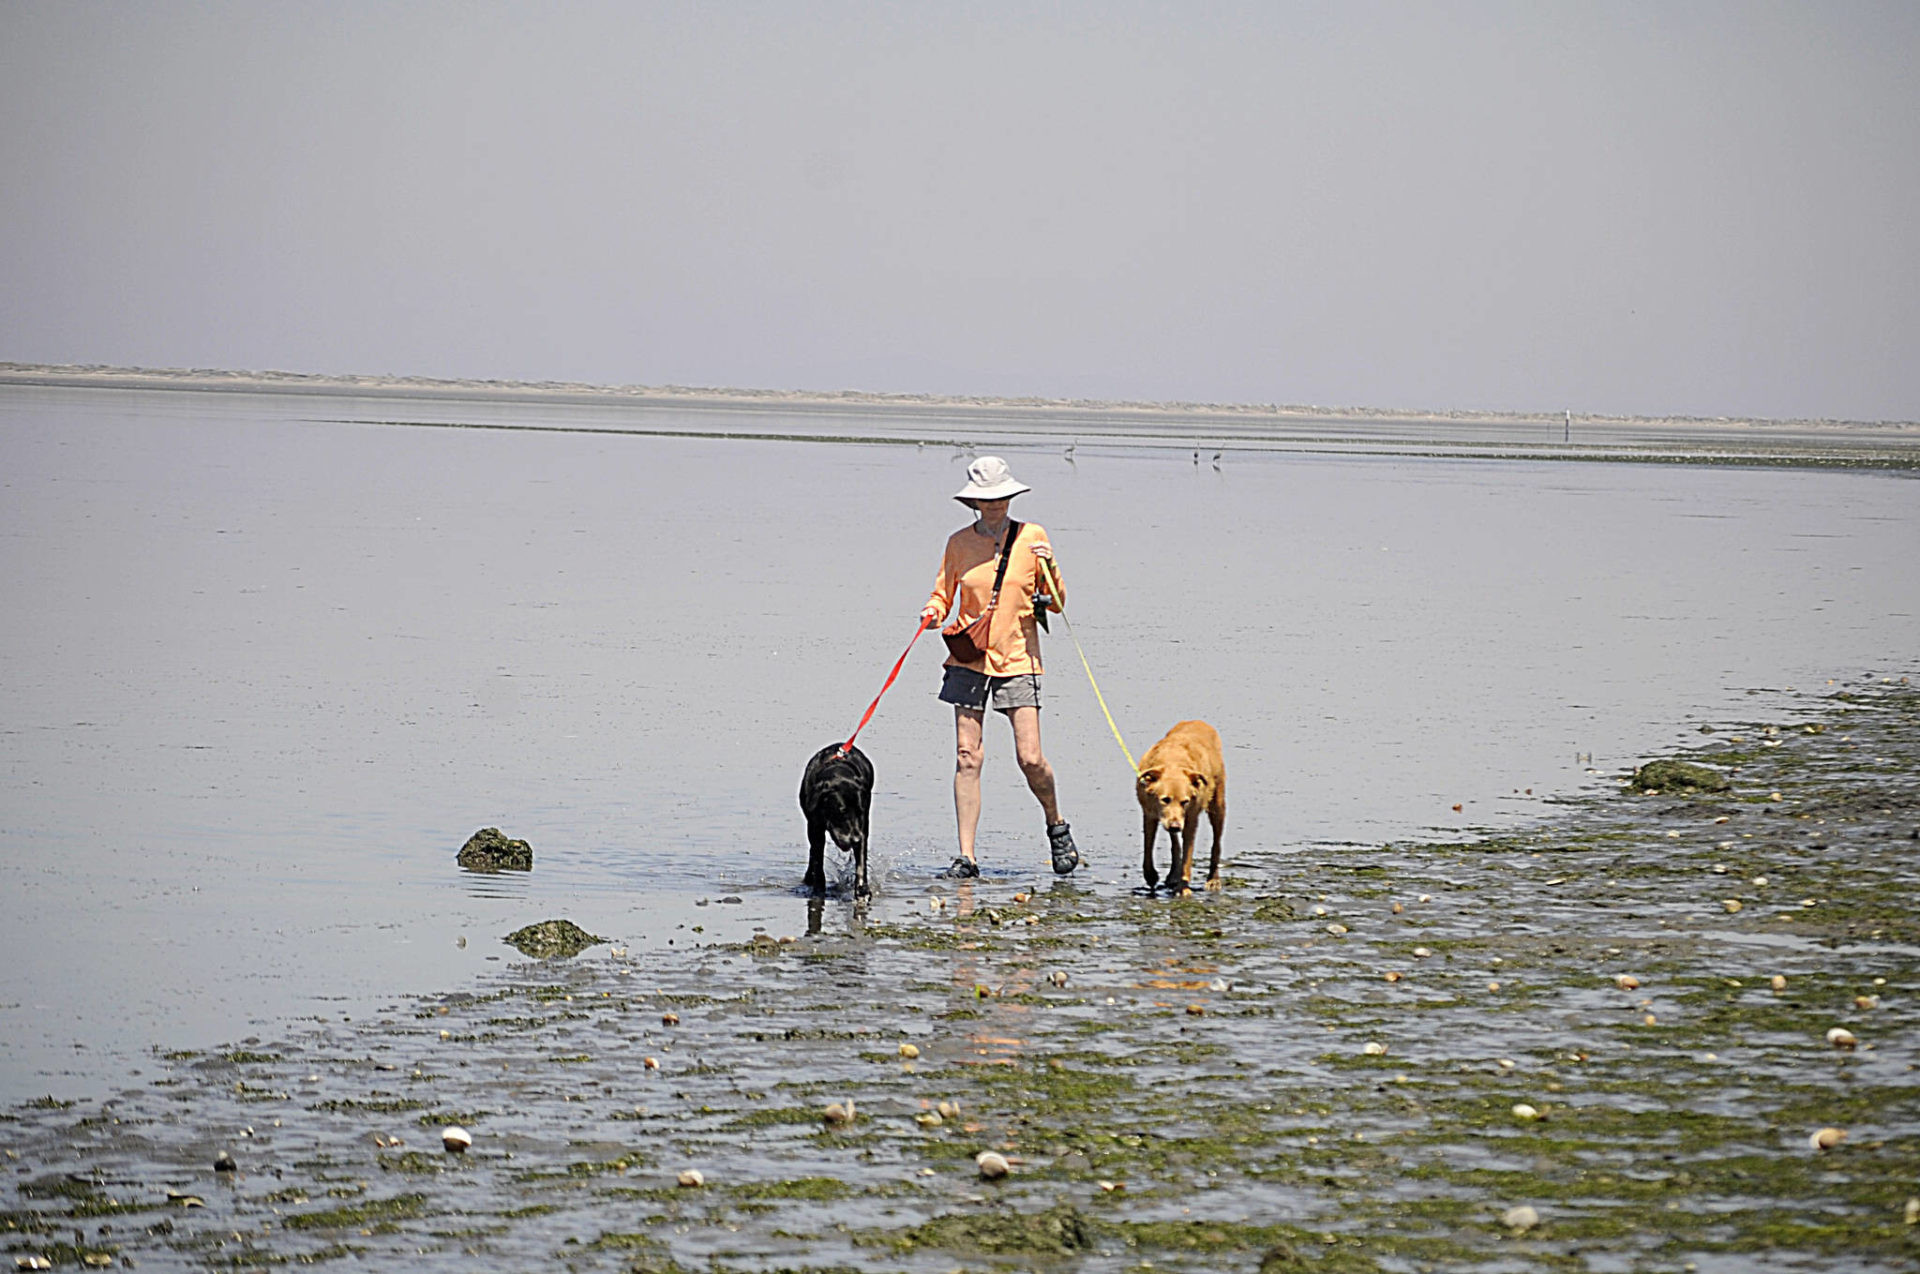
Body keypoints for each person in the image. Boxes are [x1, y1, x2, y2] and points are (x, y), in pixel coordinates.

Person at [919, 456, 1078, 878]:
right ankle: (966, 857)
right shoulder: (958, 543)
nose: (995, 504)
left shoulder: (1033, 537)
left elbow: (1056, 602)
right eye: (987, 498)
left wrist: (1050, 565)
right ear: (974, 502)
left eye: (1002, 497)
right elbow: (942, 595)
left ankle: (1056, 825)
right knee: (967, 756)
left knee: (1030, 757)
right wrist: (932, 613)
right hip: (969, 657)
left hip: (1019, 657)